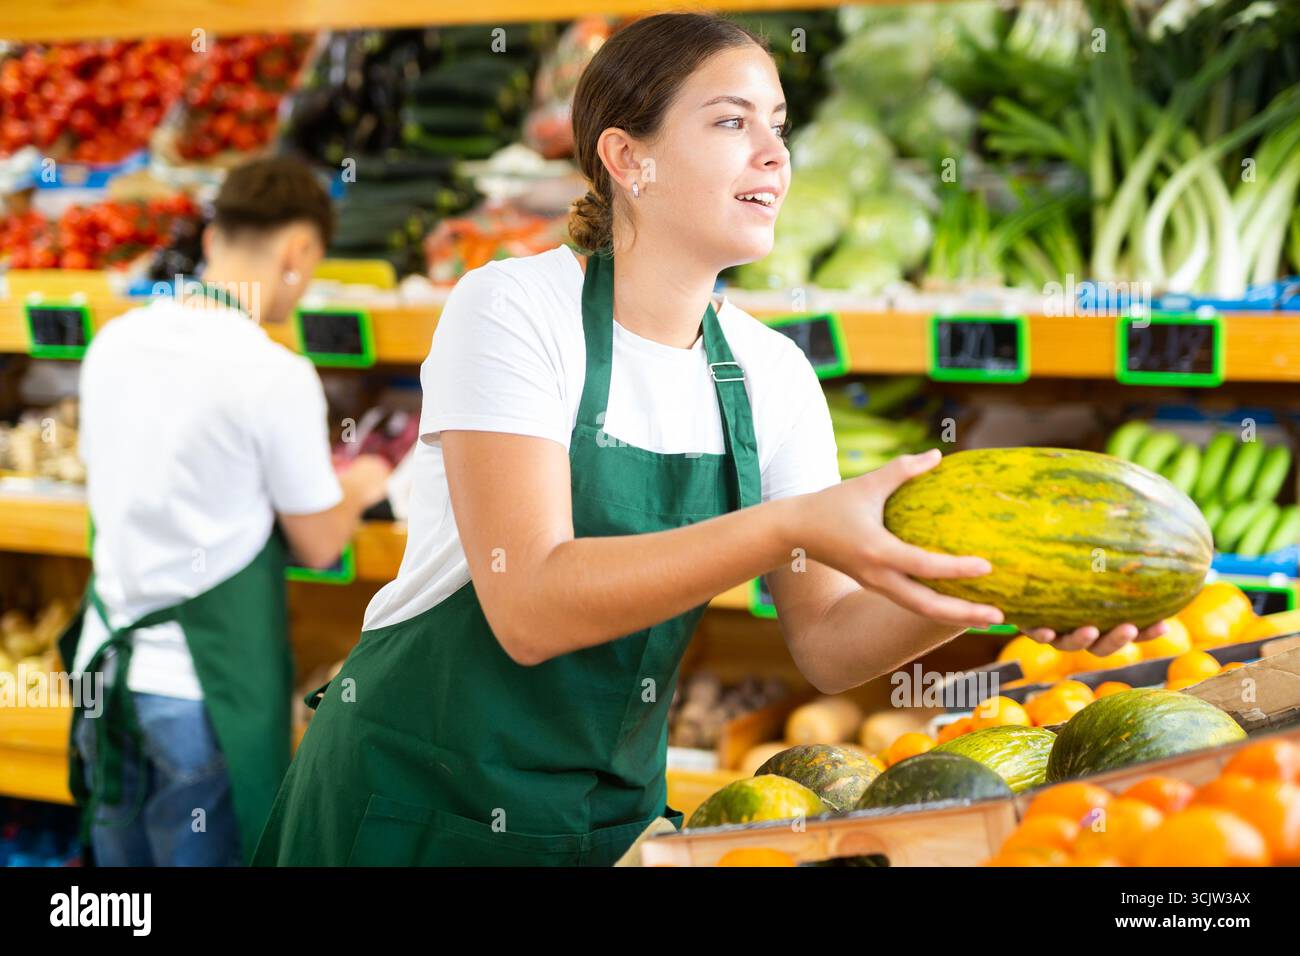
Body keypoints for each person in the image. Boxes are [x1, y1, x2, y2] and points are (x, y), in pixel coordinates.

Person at [254, 14, 1164, 867]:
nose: (774, 153)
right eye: (731, 122)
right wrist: (787, 525)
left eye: (779, 126)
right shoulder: (514, 309)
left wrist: (992, 587)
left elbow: (831, 643)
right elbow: (528, 605)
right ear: (626, 157)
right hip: (410, 808)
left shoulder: (771, 375)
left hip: (608, 824)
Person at [60, 156, 393, 866]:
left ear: (213, 240)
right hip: (197, 697)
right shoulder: (271, 372)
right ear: (299, 252)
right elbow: (319, 543)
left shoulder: (114, 341)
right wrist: (365, 482)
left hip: (103, 673)